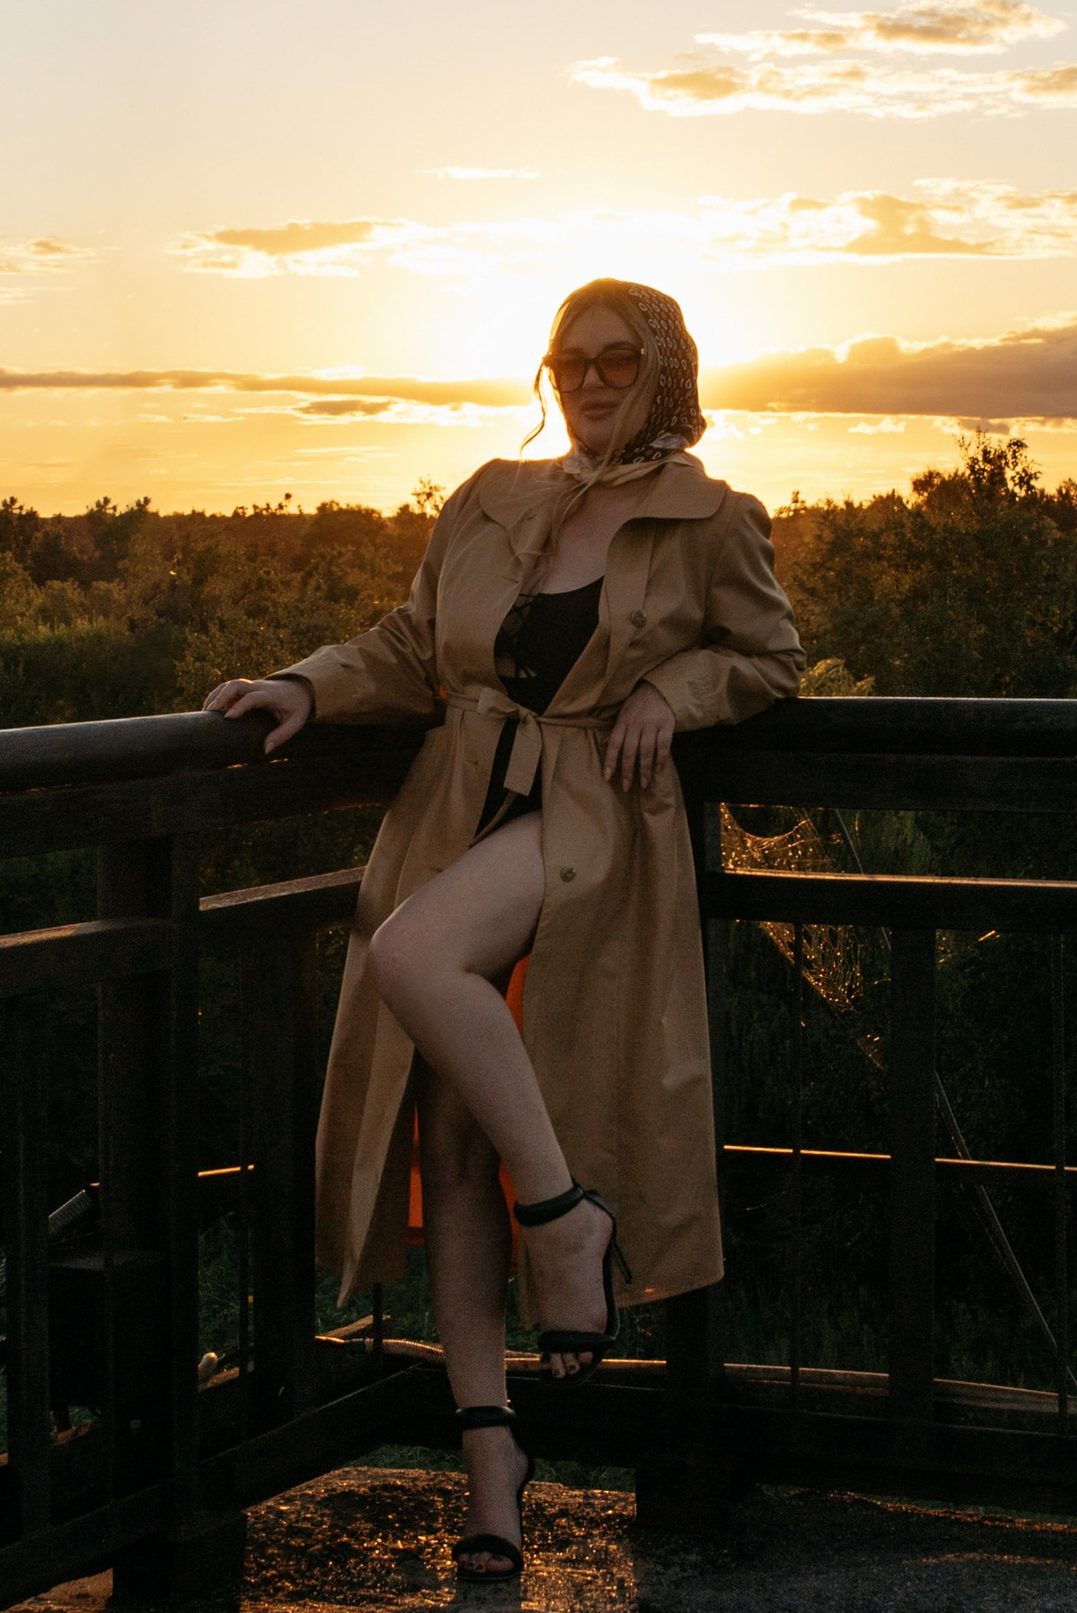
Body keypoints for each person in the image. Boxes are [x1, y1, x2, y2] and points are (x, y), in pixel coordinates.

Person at [203, 278, 802, 1585]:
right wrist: (304, 682)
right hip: (456, 807)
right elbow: (415, 648)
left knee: (414, 954)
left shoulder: (712, 518)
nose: (591, 379)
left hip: (590, 820)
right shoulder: (488, 499)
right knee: (447, 1135)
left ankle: (567, 1216)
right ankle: (493, 1466)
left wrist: (670, 688)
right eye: (571, 360)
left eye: (619, 359)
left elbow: (768, 659)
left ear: (666, 370)